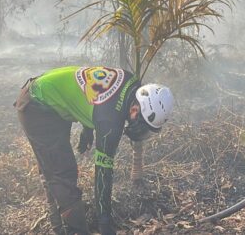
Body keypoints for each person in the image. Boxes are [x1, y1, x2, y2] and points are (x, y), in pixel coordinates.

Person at [15, 66, 174, 235]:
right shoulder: (110, 123)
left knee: (52, 167)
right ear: (135, 110)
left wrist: (88, 127)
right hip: (37, 105)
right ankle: (76, 231)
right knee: (62, 174)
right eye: (143, 125)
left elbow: (93, 90)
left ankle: (59, 228)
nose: (142, 131)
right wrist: (104, 223)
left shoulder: (131, 81)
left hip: (48, 91)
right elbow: (103, 174)